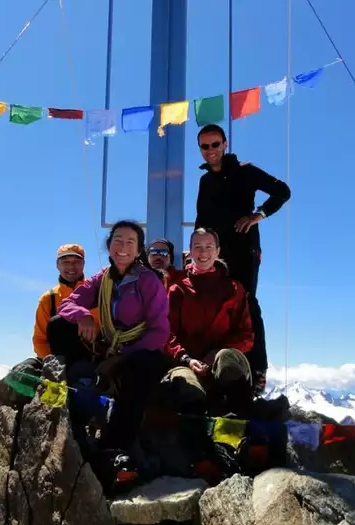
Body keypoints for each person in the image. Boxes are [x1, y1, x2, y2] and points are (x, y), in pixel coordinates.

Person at [47, 220, 170, 451]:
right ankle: (77, 383)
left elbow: (159, 332)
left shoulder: (148, 281)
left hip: (138, 351)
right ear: (109, 245)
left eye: (130, 242)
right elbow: (68, 304)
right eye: (118, 241)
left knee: (143, 365)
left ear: (138, 250)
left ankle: (116, 445)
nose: (123, 247)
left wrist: (122, 357)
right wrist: (83, 315)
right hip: (108, 346)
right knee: (58, 325)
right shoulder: (103, 279)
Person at [195, 124, 291, 393]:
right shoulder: (205, 181)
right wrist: (196, 249)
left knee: (247, 302)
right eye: (205, 146)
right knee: (215, 303)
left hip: (244, 248)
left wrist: (258, 215)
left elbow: (282, 191)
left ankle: (258, 368)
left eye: (215, 144)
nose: (210, 151)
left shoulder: (246, 170)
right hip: (215, 251)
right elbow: (202, 218)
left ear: (225, 144)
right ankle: (223, 364)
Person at [165, 228, 255, 416]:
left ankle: (234, 431)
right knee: (187, 387)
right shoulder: (177, 290)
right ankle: (197, 438)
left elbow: (246, 335)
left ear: (218, 251)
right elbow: (167, 334)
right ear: (190, 251)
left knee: (227, 359)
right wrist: (187, 359)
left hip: (222, 364)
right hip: (187, 363)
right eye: (197, 247)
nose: (203, 252)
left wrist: (215, 354)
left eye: (208, 247)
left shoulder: (233, 288)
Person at [32, 243, 99, 359]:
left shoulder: (98, 291)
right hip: (59, 359)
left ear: (84, 264)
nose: (71, 267)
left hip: (96, 356)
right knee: (24, 367)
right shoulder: (48, 298)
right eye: (65, 262)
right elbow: (40, 340)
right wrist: (53, 364)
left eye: (77, 262)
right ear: (57, 265)